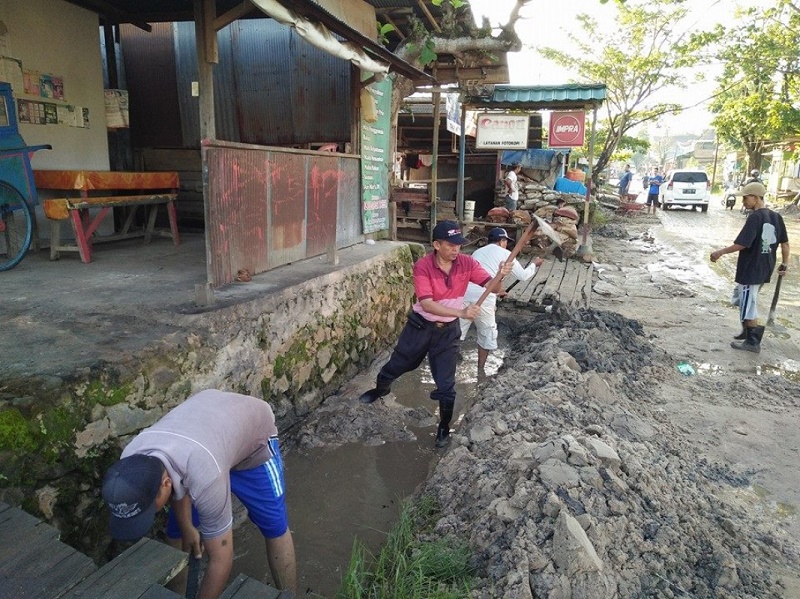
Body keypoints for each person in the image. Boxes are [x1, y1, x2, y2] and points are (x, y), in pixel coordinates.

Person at [102, 390, 297, 599]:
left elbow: (222, 559)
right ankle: (177, 593)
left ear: (165, 484)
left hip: (252, 438)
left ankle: (289, 595)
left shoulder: (205, 473)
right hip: (203, 436)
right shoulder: (131, 460)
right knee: (177, 532)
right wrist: (187, 526)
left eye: (148, 507)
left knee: (274, 525)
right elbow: (176, 473)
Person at [359, 220, 512, 448]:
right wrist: (462, 311)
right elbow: (428, 304)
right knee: (398, 365)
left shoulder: (466, 263)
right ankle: (379, 390)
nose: (456, 249)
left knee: (446, 383)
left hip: (448, 333)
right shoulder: (423, 266)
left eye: (459, 245)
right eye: (450, 245)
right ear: (436, 245)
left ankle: (443, 427)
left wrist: (501, 276)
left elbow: (496, 288)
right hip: (420, 327)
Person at [710, 182, 790, 353]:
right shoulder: (777, 217)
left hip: (751, 268)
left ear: (756, 198)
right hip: (765, 266)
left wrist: (720, 252)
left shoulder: (755, 217)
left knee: (748, 303)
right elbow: (785, 244)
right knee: (740, 296)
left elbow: (742, 244)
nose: (743, 202)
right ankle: (747, 330)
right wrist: (784, 263)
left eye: (746, 198)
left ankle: (753, 341)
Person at [459, 227, 543, 371]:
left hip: (465, 293)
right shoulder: (506, 254)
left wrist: (497, 292)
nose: (506, 244)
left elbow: (480, 277)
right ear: (502, 241)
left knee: (457, 333)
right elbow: (523, 276)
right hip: (484, 297)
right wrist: (534, 264)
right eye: (505, 241)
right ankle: (480, 370)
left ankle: (449, 363)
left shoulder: (477, 252)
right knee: (487, 333)